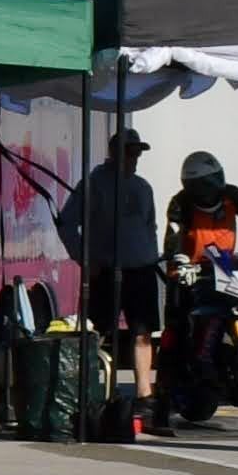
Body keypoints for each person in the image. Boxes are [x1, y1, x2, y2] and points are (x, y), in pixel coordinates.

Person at [55, 130, 161, 427]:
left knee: (142, 332)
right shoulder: (94, 184)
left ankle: (144, 394)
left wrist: (151, 257)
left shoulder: (143, 188)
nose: (134, 158)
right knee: (98, 333)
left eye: (137, 153)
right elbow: (66, 224)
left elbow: (150, 226)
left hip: (140, 269)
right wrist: (84, 259)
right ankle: (95, 389)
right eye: (129, 152)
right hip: (105, 269)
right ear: (115, 153)